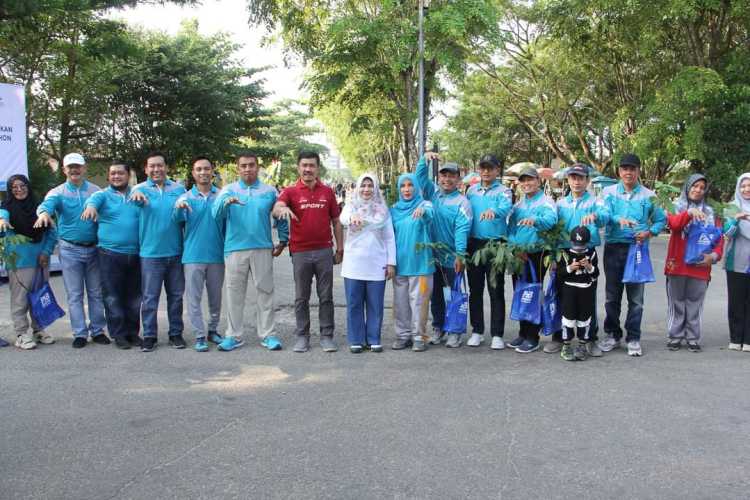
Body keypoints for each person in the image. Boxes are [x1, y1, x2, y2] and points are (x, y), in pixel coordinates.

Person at [212, 152, 288, 352]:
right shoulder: (228, 191)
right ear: (238, 168)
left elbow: (280, 215)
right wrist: (224, 203)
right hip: (235, 248)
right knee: (234, 293)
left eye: (251, 165)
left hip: (262, 247)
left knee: (265, 292)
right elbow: (215, 215)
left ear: (258, 167)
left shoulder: (270, 191)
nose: (248, 169)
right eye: (243, 166)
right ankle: (233, 336)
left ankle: (268, 335)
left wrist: (283, 239)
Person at [35, 152, 108, 348]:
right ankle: (80, 333)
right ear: (64, 169)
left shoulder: (96, 191)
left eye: (78, 166)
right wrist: (43, 214)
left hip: (94, 249)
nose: (74, 170)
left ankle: (98, 330)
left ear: (84, 168)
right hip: (70, 250)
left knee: (95, 292)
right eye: (70, 167)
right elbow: (45, 206)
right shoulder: (57, 192)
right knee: (75, 294)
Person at [273, 151, 343, 353]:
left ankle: (327, 336)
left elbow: (336, 222)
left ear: (317, 168)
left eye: (312, 165)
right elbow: (277, 207)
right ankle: (302, 336)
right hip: (300, 252)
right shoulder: (291, 191)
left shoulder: (327, 192)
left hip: (323, 251)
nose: (308, 169)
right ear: (298, 167)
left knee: (326, 296)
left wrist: (340, 249)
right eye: (304, 165)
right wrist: (281, 209)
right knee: (301, 297)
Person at [599, 154, 666, 357]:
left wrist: (649, 232)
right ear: (619, 171)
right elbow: (604, 214)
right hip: (613, 248)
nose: (628, 172)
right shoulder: (608, 192)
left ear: (638, 171)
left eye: (632, 168)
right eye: (624, 168)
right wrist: (618, 218)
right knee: (612, 296)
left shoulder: (649, 195)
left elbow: (661, 220)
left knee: (636, 298)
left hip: (637, 250)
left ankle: (634, 337)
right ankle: (612, 334)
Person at [544, 163, 609, 357]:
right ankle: (559, 338)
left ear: (587, 181)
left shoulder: (596, 202)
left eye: (581, 178)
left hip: (587, 252)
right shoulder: (561, 203)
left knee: (587, 299)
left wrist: (596, 216)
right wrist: (553, 256)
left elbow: (605, 217)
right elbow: (554, 230)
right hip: (564, 253)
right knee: (560, 297)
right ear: (568, 180)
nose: (577, 182)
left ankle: (589, 339)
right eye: (573, 178)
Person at [129, 152, 187, 352]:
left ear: (166, 167)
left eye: (159, 165)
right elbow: (132, 203)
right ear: (146, 169)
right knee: (150, 297)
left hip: (175, 252)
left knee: (176, 296)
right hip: (150, 254)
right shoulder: (139, 189)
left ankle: (175, 333)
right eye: (152, 166)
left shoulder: (179, 189)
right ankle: (150, 335)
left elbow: (184, 218)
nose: (156, 169)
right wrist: (135, 197)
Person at [81, 162, 142, 349]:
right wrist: (90, 208)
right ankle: (119, 334)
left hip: (137, 254)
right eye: (113, 173)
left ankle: (133, 333)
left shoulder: (137, 193)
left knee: (134, 297)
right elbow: (92, 202)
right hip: (109, 254)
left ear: (128, 175)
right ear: (108, 177)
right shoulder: (102, 195)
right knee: (113, 297)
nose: (116, 176)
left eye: (120, 173)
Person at [415, 152, 473, 348]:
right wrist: (424, 160)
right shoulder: (433, 194)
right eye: (443, 175)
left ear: (458, 179)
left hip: (452, 258)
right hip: (432, 257)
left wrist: (460, 254)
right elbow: (420, 179)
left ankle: (455, 331)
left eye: (451, 176)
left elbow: (462, 229)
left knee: (456, 295)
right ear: (439, 178)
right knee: (436, 296)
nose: (447, 179)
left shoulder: (462, 203)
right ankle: (438, 328)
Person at [663, 174, 722, 352]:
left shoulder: (711, 213)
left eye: (702, 187)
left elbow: (719, 239)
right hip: (677, 265)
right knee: (676, 302)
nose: (698, 190)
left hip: (700, 266)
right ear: (687, 188)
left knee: (695, 303)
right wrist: (688, 213)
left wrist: (712, 257)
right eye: (694, 186)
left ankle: (693, 337)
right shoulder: (675, 207)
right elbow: (673, 225)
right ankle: (675, 336)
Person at [173, 157, 226, 352]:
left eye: (206, 169)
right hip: (193, 256)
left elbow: (228, 225)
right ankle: (199, 335)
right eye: (198, 169)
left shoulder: (222, 196)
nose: (203, 172)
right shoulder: (185, 198)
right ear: (193, 173)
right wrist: (178, 209)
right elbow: (177, 221)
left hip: (216, 255)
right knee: (193, 299)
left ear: (212, 171)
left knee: (215, 297)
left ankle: (213, 329)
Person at [339, 173, 396, 353]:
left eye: (370, 186)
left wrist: (391, 263)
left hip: (376, 263)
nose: (366, 189)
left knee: (375, 303)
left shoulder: (383, 211)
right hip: (353, 264)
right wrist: (352, 216)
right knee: (354, 303)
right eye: (363, 185)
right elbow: (342, 218)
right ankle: (356, 339)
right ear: (357, 188)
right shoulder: (350, 206)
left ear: (376, 188)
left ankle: (373, 338)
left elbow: (389, 238)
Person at [0, 175, 58, 349]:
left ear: (28, 186)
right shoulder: (6, 208)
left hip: (41, 260)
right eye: (14, 187)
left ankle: (38, 330)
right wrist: (2, 220)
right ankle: (21, 334)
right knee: (20, 300)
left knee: (39, 297)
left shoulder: (39, 208)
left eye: (22, 185)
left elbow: (52, 233)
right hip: (19, 263)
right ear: (10, 190)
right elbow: (2, 216)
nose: (19, 189)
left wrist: (46, 252)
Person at [507, 166, 558, 353]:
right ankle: (522, 333)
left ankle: (533, 336)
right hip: (518, 255)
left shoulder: (546, 202)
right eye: (523, 181)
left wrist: (535, 220)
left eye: (530, 180)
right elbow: (509, 230)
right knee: (520, 292)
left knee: (532, 293)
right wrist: (515, 247)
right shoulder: (517, 205)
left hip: (537, 254)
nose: (526, 184)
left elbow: (551, 220)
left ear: (538, 181)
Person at [465, 154, 512, 349]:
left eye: (490, 168)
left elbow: (506, 207)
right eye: (482, 168)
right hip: (474, 244)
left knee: (496, 289)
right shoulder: (471, 191)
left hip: (496, 245)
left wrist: (495, 211)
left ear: (496, 170)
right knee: (475, 290)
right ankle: (477, 331)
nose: (485, 171)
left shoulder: (504, 191)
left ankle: (497, 334)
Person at [390, 173, 434, 352]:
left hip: (421, 265)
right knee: (400, 303)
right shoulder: (393, 209)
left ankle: (419, 336)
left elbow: (430, 215)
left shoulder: (425, 204)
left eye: (410, 185)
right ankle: (403, 336)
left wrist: (423, 212)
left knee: (419, 302)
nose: (407, 189)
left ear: (416, 187)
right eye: (403, 186)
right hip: (400, 265)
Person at [556, 226, 600, 361]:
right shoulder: (564, 253)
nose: (578, 249)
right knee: (568, 319)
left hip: (585, 290)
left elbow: (596, 274)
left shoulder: (591, 253)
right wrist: (570, 268)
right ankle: (566, 345)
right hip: (569, 290)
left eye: (581, 246)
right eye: (576, 245)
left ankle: (582, 345)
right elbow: (559, 274)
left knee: (584, 319)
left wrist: (589, 266)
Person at [722, 173, 750, 352]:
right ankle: (735, 338)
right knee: (736, 301)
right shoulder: (732, 207)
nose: (746, 189)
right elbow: (727, 233)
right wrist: (737, 218)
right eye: (743, 186)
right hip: (736, 262)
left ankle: (748, 340)